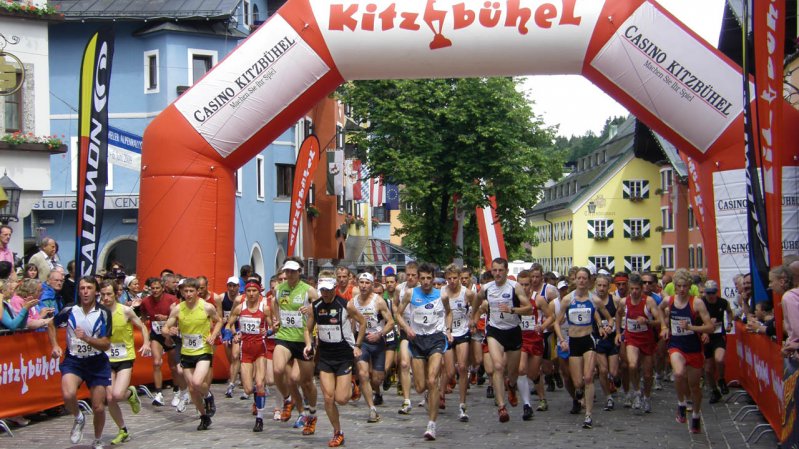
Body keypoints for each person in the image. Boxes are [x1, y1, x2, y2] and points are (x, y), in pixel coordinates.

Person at [48, 276, 112, 449]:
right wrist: (55, 345)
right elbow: (51, 324)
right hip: (74, 360)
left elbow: (106, 344)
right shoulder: (70, 309)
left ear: (96, 291)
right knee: (68, 395)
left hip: (97, 362)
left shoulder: (104, 313)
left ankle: (97, 439)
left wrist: (87, 338)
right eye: (82, 288)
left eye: (89, 288)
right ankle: (78, 417)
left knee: (98, 407)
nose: (85, 292)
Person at [305, 271, 366, 447]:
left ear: (335, 288)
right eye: (322, 290)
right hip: (325, 355)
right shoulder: (315, 306)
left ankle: (352, 385)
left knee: (342, 399)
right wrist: (308, 344)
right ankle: (337, 432)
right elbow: (307, 329)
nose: (325, 293)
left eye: (328, 290)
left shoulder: (346, 305)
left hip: (343, 355)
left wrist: (358, 345)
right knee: (328, 398)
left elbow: (362, 323)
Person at [396, 262, 453, 440]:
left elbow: (449, 312)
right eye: (423, 278)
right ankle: (429, 392)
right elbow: (397, 314)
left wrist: (448, 330)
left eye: (429, 278)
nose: (426, 282)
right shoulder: (411, 293)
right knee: (420, 386)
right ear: (418, 279)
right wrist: (406, 328)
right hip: (417, 340)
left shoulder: (441, 294)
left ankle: (431, 425)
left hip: (436, 338)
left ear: (433, 278)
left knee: (431, 379)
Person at [554, 267, 614, 429]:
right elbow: (556, 323)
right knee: (578, 382)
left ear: (589, 281)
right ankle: (579, 393)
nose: (581, 281)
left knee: (588, 378)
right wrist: (561, 340)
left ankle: (588, 415)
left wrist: (608, 327)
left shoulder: (594, 300)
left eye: (584, 278)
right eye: (578, 278)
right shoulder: (568, 299)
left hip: (589, 341)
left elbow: (609, 318)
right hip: (573, 342)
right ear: (575, 280)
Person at [474, 257, 533, 423]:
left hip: (513, 331)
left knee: (513, 372)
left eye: (501, 270)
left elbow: (528, 309)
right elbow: (477, 300)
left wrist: (512, 309)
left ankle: (512, 386)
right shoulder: (486, 288)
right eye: (495, 270)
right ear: (491, 271)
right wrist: (473, 316)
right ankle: (501, 407)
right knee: (498, 366)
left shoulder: (515, 287)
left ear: (506, 271)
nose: (498, 273)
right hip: (494, 331)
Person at [162, 278, 223, 430]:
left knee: (196, 383)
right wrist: (169, 331)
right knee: (191, 388)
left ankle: (208, 396)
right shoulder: (178, 309)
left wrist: (214, 335)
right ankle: (204, 416)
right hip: (186, 352)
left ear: (197, 292)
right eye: (185, 291)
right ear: (181, 292)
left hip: (203, 350)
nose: (188, 294)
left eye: (191, 291)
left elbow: (219, 321)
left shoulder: (207, 307)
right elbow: (165, 327)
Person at [659, 269, 715, 434]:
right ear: (674, 287)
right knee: (678, 373)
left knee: (695, 387)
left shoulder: (696, 302)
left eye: (685, 286)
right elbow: (659, 309)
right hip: (676, 345)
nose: (682, 289)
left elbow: (710, 327)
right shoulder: (669, 301)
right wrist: (663, 326)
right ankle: (681, 403)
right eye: (679, 286)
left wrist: (692, 327)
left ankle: (696, 416)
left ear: (690, 287)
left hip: (694, 348)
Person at [98, 280, 151, 444]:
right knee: (110, 397)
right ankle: (123, 430)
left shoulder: (126, 311)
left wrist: (146, 343)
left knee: (118, 394)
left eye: (109, 294)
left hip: (125, 357)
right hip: (106, 358)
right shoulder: (97, 312)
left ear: (117, 294)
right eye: (103, 294)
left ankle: (130, 393)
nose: (106, 298)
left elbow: (142, 326)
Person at [272, 259, 320, 433]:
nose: (290, 274)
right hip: (284, 337)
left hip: (303, 340)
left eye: (293, 271)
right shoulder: (279, 289)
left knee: (304, 382)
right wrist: (275, 320)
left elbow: (321, 308)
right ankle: (288, 400)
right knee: (277, 370)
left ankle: (311, 413)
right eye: (287, 272)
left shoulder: (308, 290)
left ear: (299, 272)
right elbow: (274, 304)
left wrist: (311, 310)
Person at [615, 273, 666, 414]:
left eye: (637, 289)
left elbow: (659, 321)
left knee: (648, 373)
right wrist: (618, 333)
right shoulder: (624, 302)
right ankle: (637, 392)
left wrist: (647, 321)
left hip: (647, 339)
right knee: (631, 364)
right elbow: (618, 315)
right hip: (631, 337)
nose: (634, 292)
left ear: (641, 288)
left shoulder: (648, 301)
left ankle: (647, 397)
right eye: (632, 289)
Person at [227, 279, 274, 432]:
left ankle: (259, 419)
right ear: (245, 293)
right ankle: (258, 397)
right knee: (248, 389)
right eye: (249, 291)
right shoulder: (240, 308)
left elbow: (275, 326)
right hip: (246, 350)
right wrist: (235, 334)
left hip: (261, 350)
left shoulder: (264, 308)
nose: (252, 294)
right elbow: (229, 323)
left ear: (258, 292)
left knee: (260, 383)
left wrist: (268, 331)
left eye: (254, 291)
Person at [138, 276, 187, 408]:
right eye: (152, 288)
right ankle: (158, 393)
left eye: (157, 288)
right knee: (156, 362)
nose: (155, 291)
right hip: (156, 335)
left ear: (163, 288)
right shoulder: (146, 302)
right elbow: (143, 318)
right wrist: (146, 337)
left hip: (170, 335)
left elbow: (178, 318)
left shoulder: (171, 300)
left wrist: (166, 318)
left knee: (173, 366)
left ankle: (177, 390)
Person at [352, 272, 394, 422]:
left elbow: (390, 322)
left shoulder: (379, 302)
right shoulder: (353, 302)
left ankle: (378, 391)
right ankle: (372, 409)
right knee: (363, 374)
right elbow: (351, 322)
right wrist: (353, 342)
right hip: (362, 341)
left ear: (371, 285)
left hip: (377, 342)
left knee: (376, 379)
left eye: (366, 283)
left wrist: (380, 334)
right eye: (361, 282)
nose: (363, 286)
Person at [438, 265, 476, 421]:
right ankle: (440, 394)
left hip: (462, 332)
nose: (452, 281)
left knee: (462, 367)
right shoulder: (443, 292)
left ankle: (462, 405)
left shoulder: (467, 293)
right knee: (449, 371)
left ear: (460, 277)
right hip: (447, 332)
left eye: (455, 278)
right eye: (449, 278)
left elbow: (477, 307)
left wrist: (473, 320)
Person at [516, 269, 554, 419]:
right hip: (521, 340)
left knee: (533, 373)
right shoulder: (514, 299)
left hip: (536, 339)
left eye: (527, 284)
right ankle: (527, 405)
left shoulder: (537, 299)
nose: (524, 288)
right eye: (521, 285)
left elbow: (552, 316)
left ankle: (542, 397)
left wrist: (543, 327)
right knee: (521, 369)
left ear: (531, 284)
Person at [700, 280, 733, 403]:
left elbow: (729, 311)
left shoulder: (722, 302)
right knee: (708, 369)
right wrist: (704, 329)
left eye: (713, 292)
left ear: (716, 292)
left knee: (719, 359)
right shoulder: (701, 303)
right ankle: (714, 391)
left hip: (719, 335)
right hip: (707, 336)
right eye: (708, 293)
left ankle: (721, 379)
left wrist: (729, 323)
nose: (711, 295)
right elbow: (696, 319)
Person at [394, 261, 420, 414]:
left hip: (421, 331)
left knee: (420, 369)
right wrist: (401, 323)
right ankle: (406, 400)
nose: (410, 278)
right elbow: (395, 304)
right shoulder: (400, 288)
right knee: (404, 364)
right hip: (406, 330)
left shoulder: (423, 289)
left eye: (413, 275)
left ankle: (428, 392)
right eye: (408, 275)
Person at [592, 273, 620, 411]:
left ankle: (614, 380)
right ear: (595, 286)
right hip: (598, 338)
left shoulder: (614, 300)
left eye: (604, 285)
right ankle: (608, 397)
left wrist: (614, 328)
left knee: (613, 372)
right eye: (599, 285)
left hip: (612, 338)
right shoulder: (591, 300)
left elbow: (621, 318)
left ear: (609, 286)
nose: (602, 288)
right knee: (603, 370)